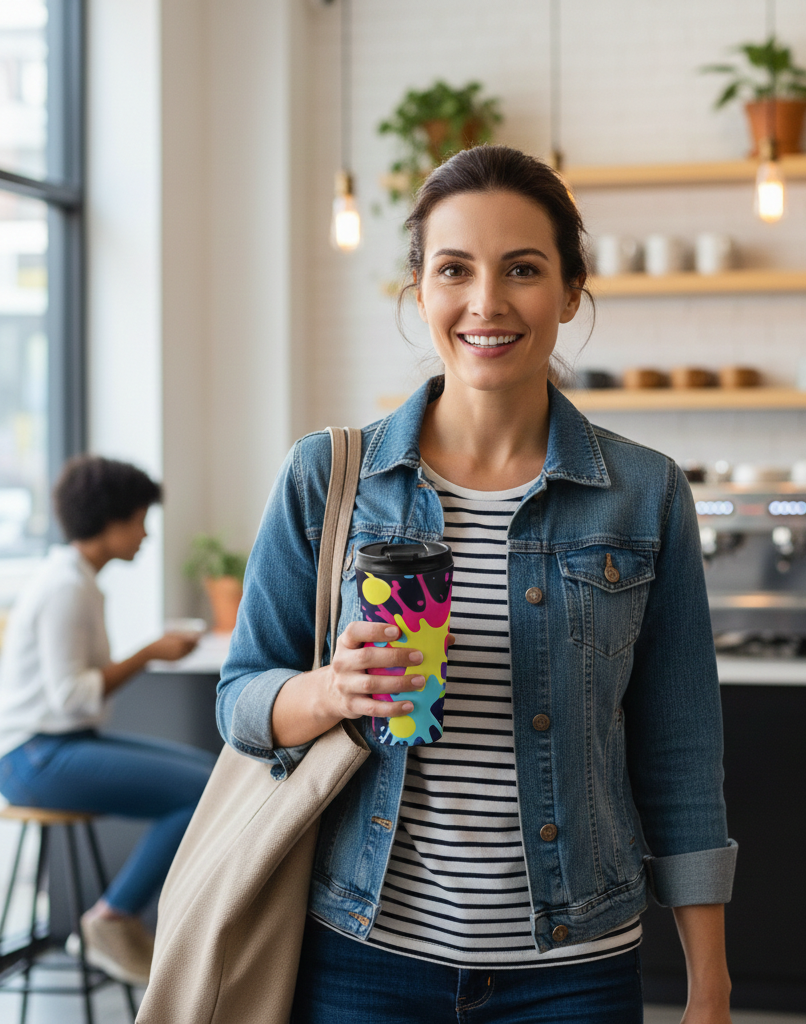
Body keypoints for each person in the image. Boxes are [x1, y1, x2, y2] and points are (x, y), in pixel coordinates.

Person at [218, 145, 736, 1024]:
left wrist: (711, 983)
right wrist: (330, 691)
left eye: (523, 270)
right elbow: (239, 701)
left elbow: (680, 750)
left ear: (571, 292)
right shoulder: (329, 477)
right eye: (454, 269)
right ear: (420, 290)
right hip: (363, 957)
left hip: (574, 969)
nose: (486, 303)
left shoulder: (645, 494)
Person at [0, 455, 216, 987]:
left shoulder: (79, 581)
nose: (145, 534)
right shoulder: (65, 588)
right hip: (34, 757)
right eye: (141, 519)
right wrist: (149, 653)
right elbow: (72, 696)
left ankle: (115, 919)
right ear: (113, 520)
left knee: (215, 780)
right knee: (203, 792)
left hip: (59, 745)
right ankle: (111, 919)